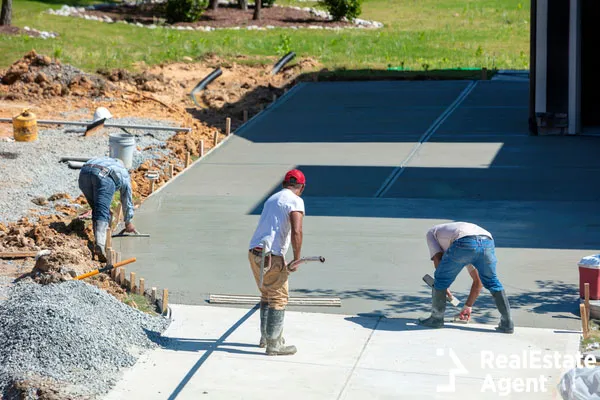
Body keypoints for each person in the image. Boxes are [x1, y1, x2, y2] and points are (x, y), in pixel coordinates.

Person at [248, 169, 306, 356]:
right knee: (279, 297)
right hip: (271, 255)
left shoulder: (272, 199)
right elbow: (297, 231)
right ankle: (274, 344)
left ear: (283, 184)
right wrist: (297, 259)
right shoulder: (295, 201)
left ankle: (266, 337)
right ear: (302, 187)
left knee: (266, 294)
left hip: (255, 252)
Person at [418, 221, 514, 333]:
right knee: (492, 281)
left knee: (441, 279)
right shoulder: (460, 245)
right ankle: (507, 322)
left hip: (463, 242)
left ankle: (436, 319)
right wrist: (468, 306)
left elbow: (438, 259)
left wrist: (443, 287)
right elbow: (478, 281)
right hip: (487, 241)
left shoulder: (431, 233)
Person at [78, 156, 136, 262]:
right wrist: (128, 222)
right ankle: (100, 244)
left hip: (84, 173)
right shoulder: (124, 174)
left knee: (98, 209)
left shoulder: (107, 160)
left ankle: (99, 239)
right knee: (101, 211)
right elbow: (127, 200)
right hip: (104, 176)